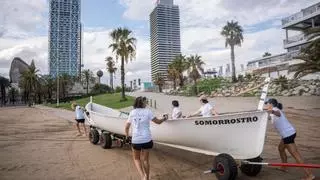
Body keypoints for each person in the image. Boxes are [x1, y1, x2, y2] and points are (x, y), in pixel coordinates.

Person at [265, 98, 315, 180]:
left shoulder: (275, 110)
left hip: (288, 135)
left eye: (267, 104)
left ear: (271, 104)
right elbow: (270, 117)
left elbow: (277, 113)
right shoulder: (272, 112)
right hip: (287, 134)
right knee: (280, 148)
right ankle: (284, 167)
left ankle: (310, 175)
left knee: (296, 155)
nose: (266, 105)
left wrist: (270, 110)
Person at [124, 96, 168, 180]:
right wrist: (164, 118)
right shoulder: (148, 112)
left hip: (136, 140)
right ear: (142, 103)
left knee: (136, 159)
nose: (146, 103)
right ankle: (147, 178)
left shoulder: (132, 112)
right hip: (147, 139)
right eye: (145, 102)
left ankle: (142, 177)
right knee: (145, 160)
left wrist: (127, 137)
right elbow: (158, 122)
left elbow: (126, 127)